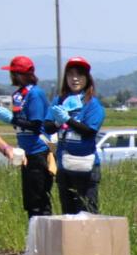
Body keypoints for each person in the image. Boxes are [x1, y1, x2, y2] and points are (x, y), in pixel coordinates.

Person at [0, 55, 54, 224]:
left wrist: (11, 119)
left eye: (16, 73)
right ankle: (33, 241)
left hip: (38, 151)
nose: (13, 77)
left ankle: (43, 243)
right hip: (25, 153)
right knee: (30, 200)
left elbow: (35, 123)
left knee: (39, 201)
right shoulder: (18, 95)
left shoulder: (35, 94)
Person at [44, 57, 105, 214]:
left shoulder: (92, 104)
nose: (75, 78)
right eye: (70, 74)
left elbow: (89, 131)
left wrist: (68, 120)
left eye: (79, 74)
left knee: (88, 213)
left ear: (87, 78)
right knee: (67, 215)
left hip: (86, 167)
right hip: (64, 167)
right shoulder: (59, 100)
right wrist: (58, 122)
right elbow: (48, 127)